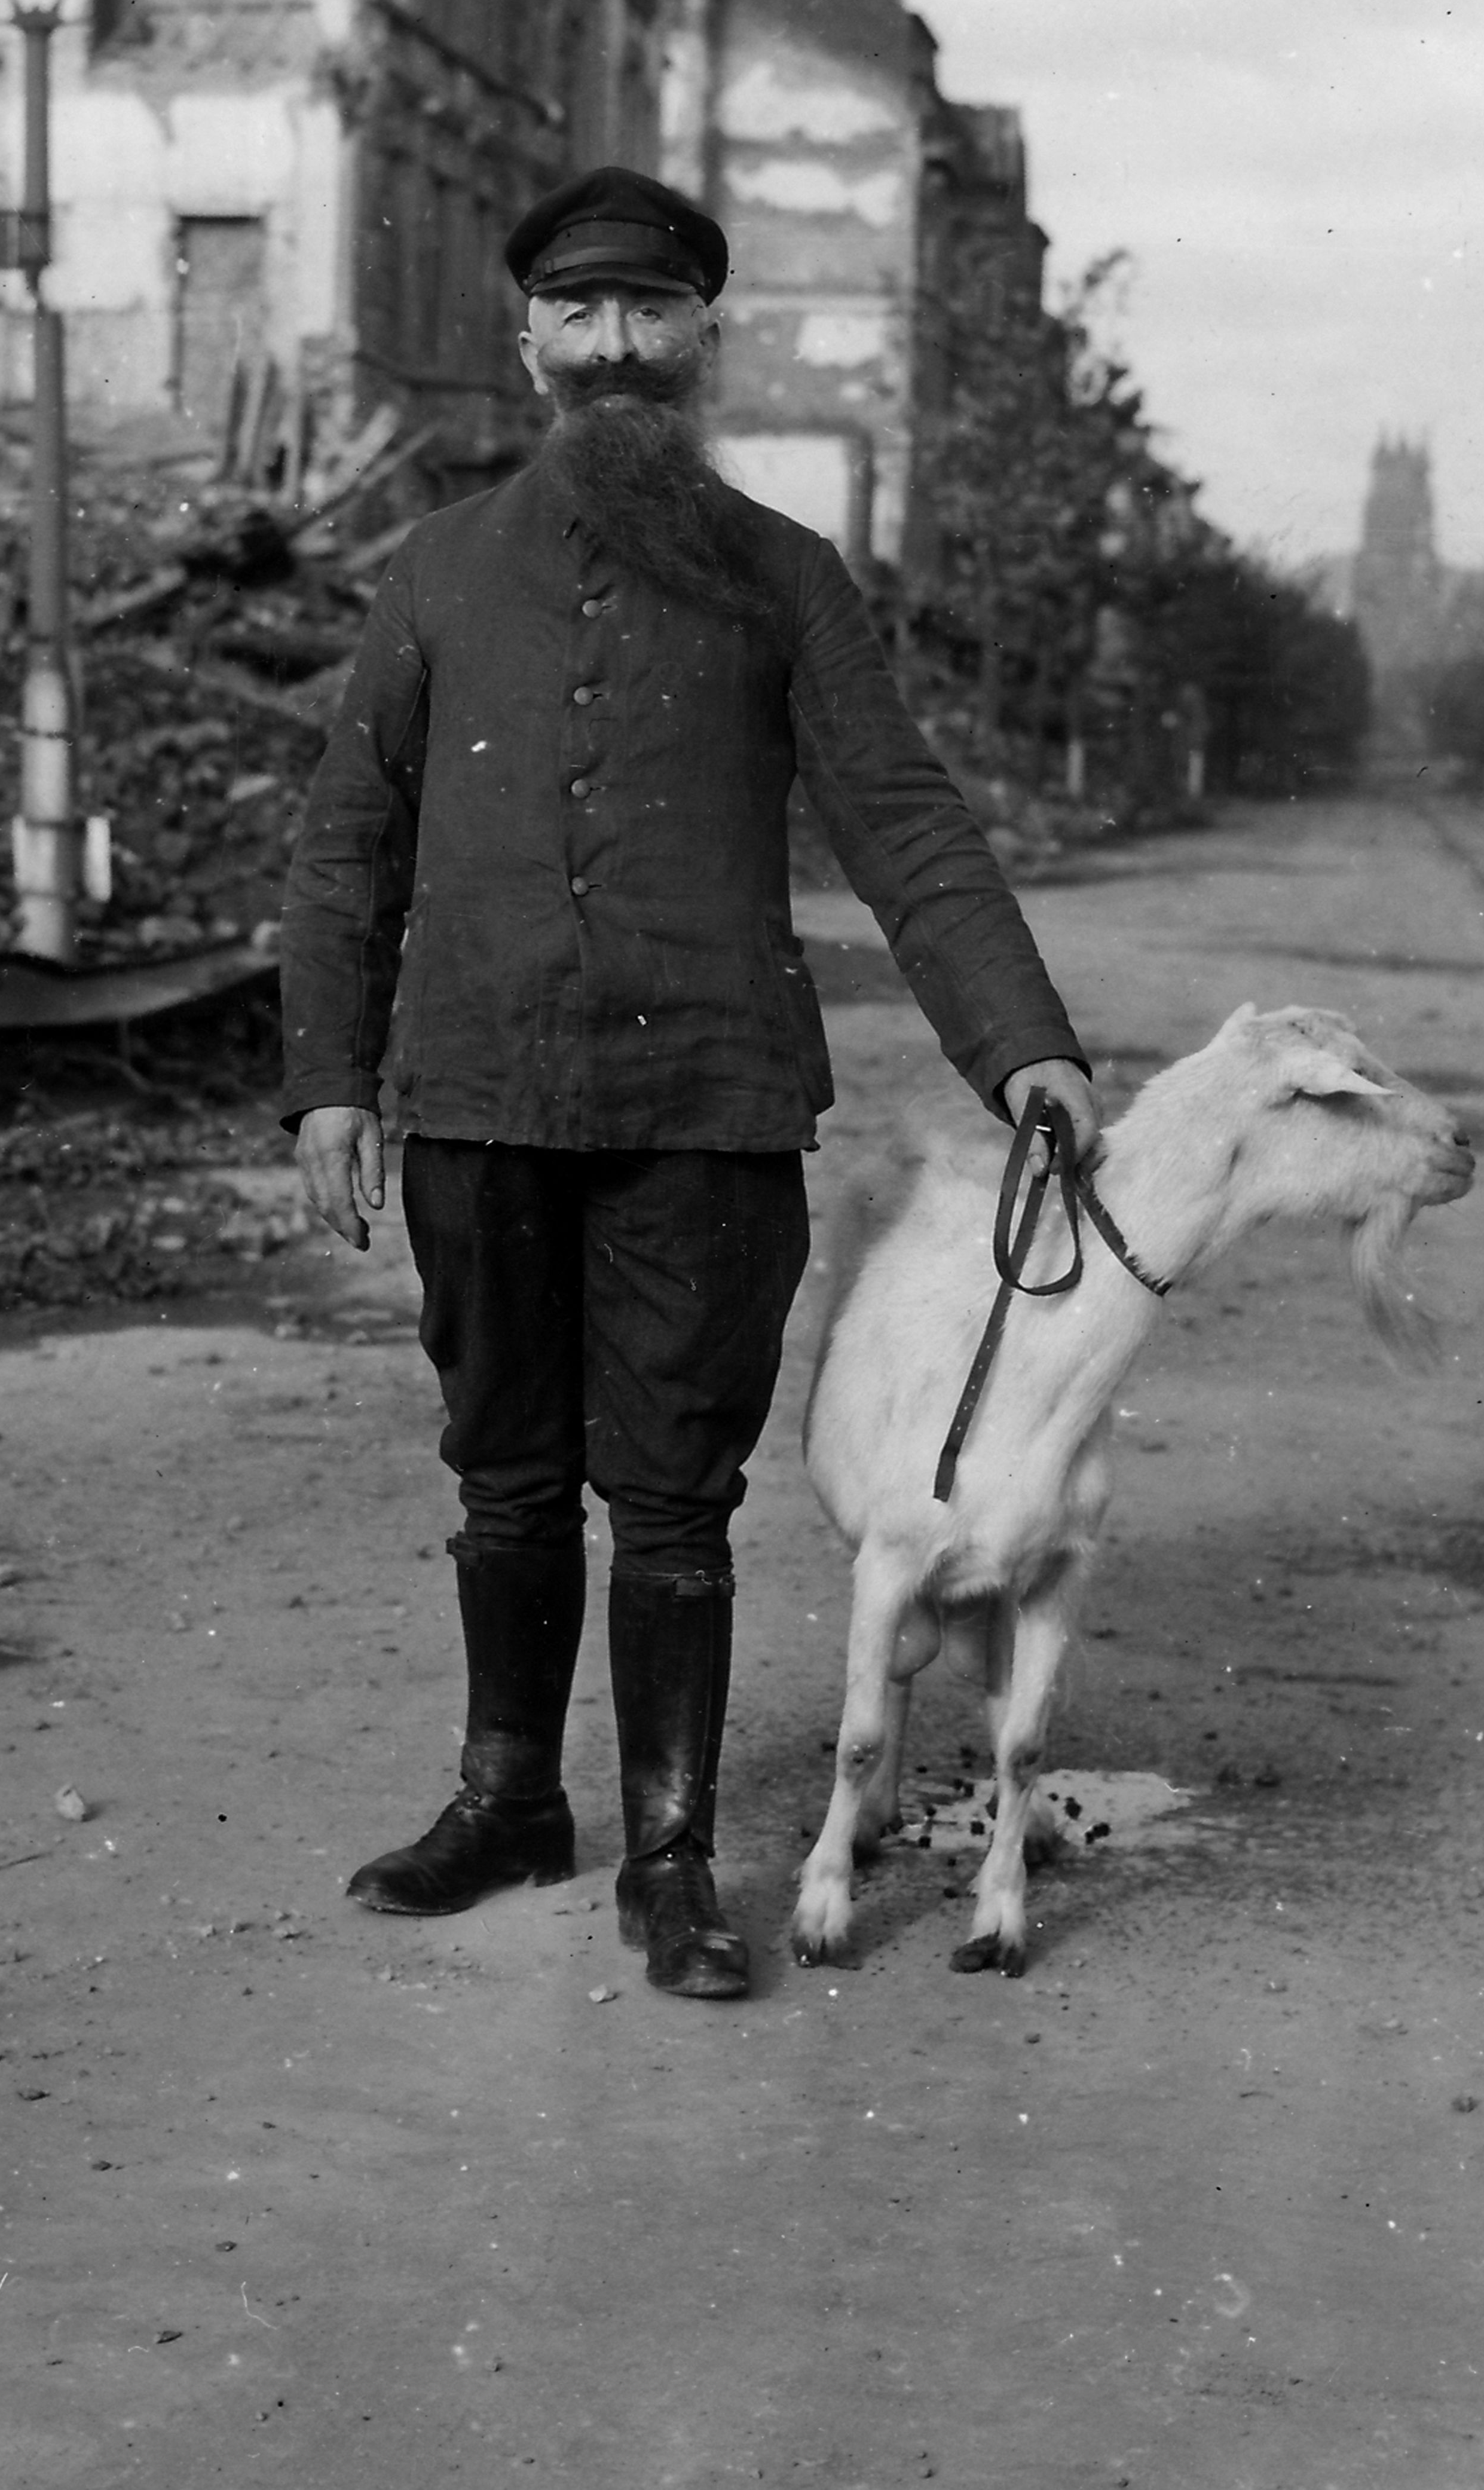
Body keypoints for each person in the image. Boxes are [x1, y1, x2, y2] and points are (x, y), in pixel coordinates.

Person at [280, 166, 1100, 2000]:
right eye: (578, 314)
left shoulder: (781, 578)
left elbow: (901, 822)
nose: (614, 347)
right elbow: (349, 842)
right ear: (528, 345)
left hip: (706, 1111)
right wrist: (328, 1075)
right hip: (478, 1093)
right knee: (501, 1473)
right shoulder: (434, 574)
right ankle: (505, 1799)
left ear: (700, 340)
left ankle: (667, 1854)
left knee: (671, 1497)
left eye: (651, 314)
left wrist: (1022, 1041)